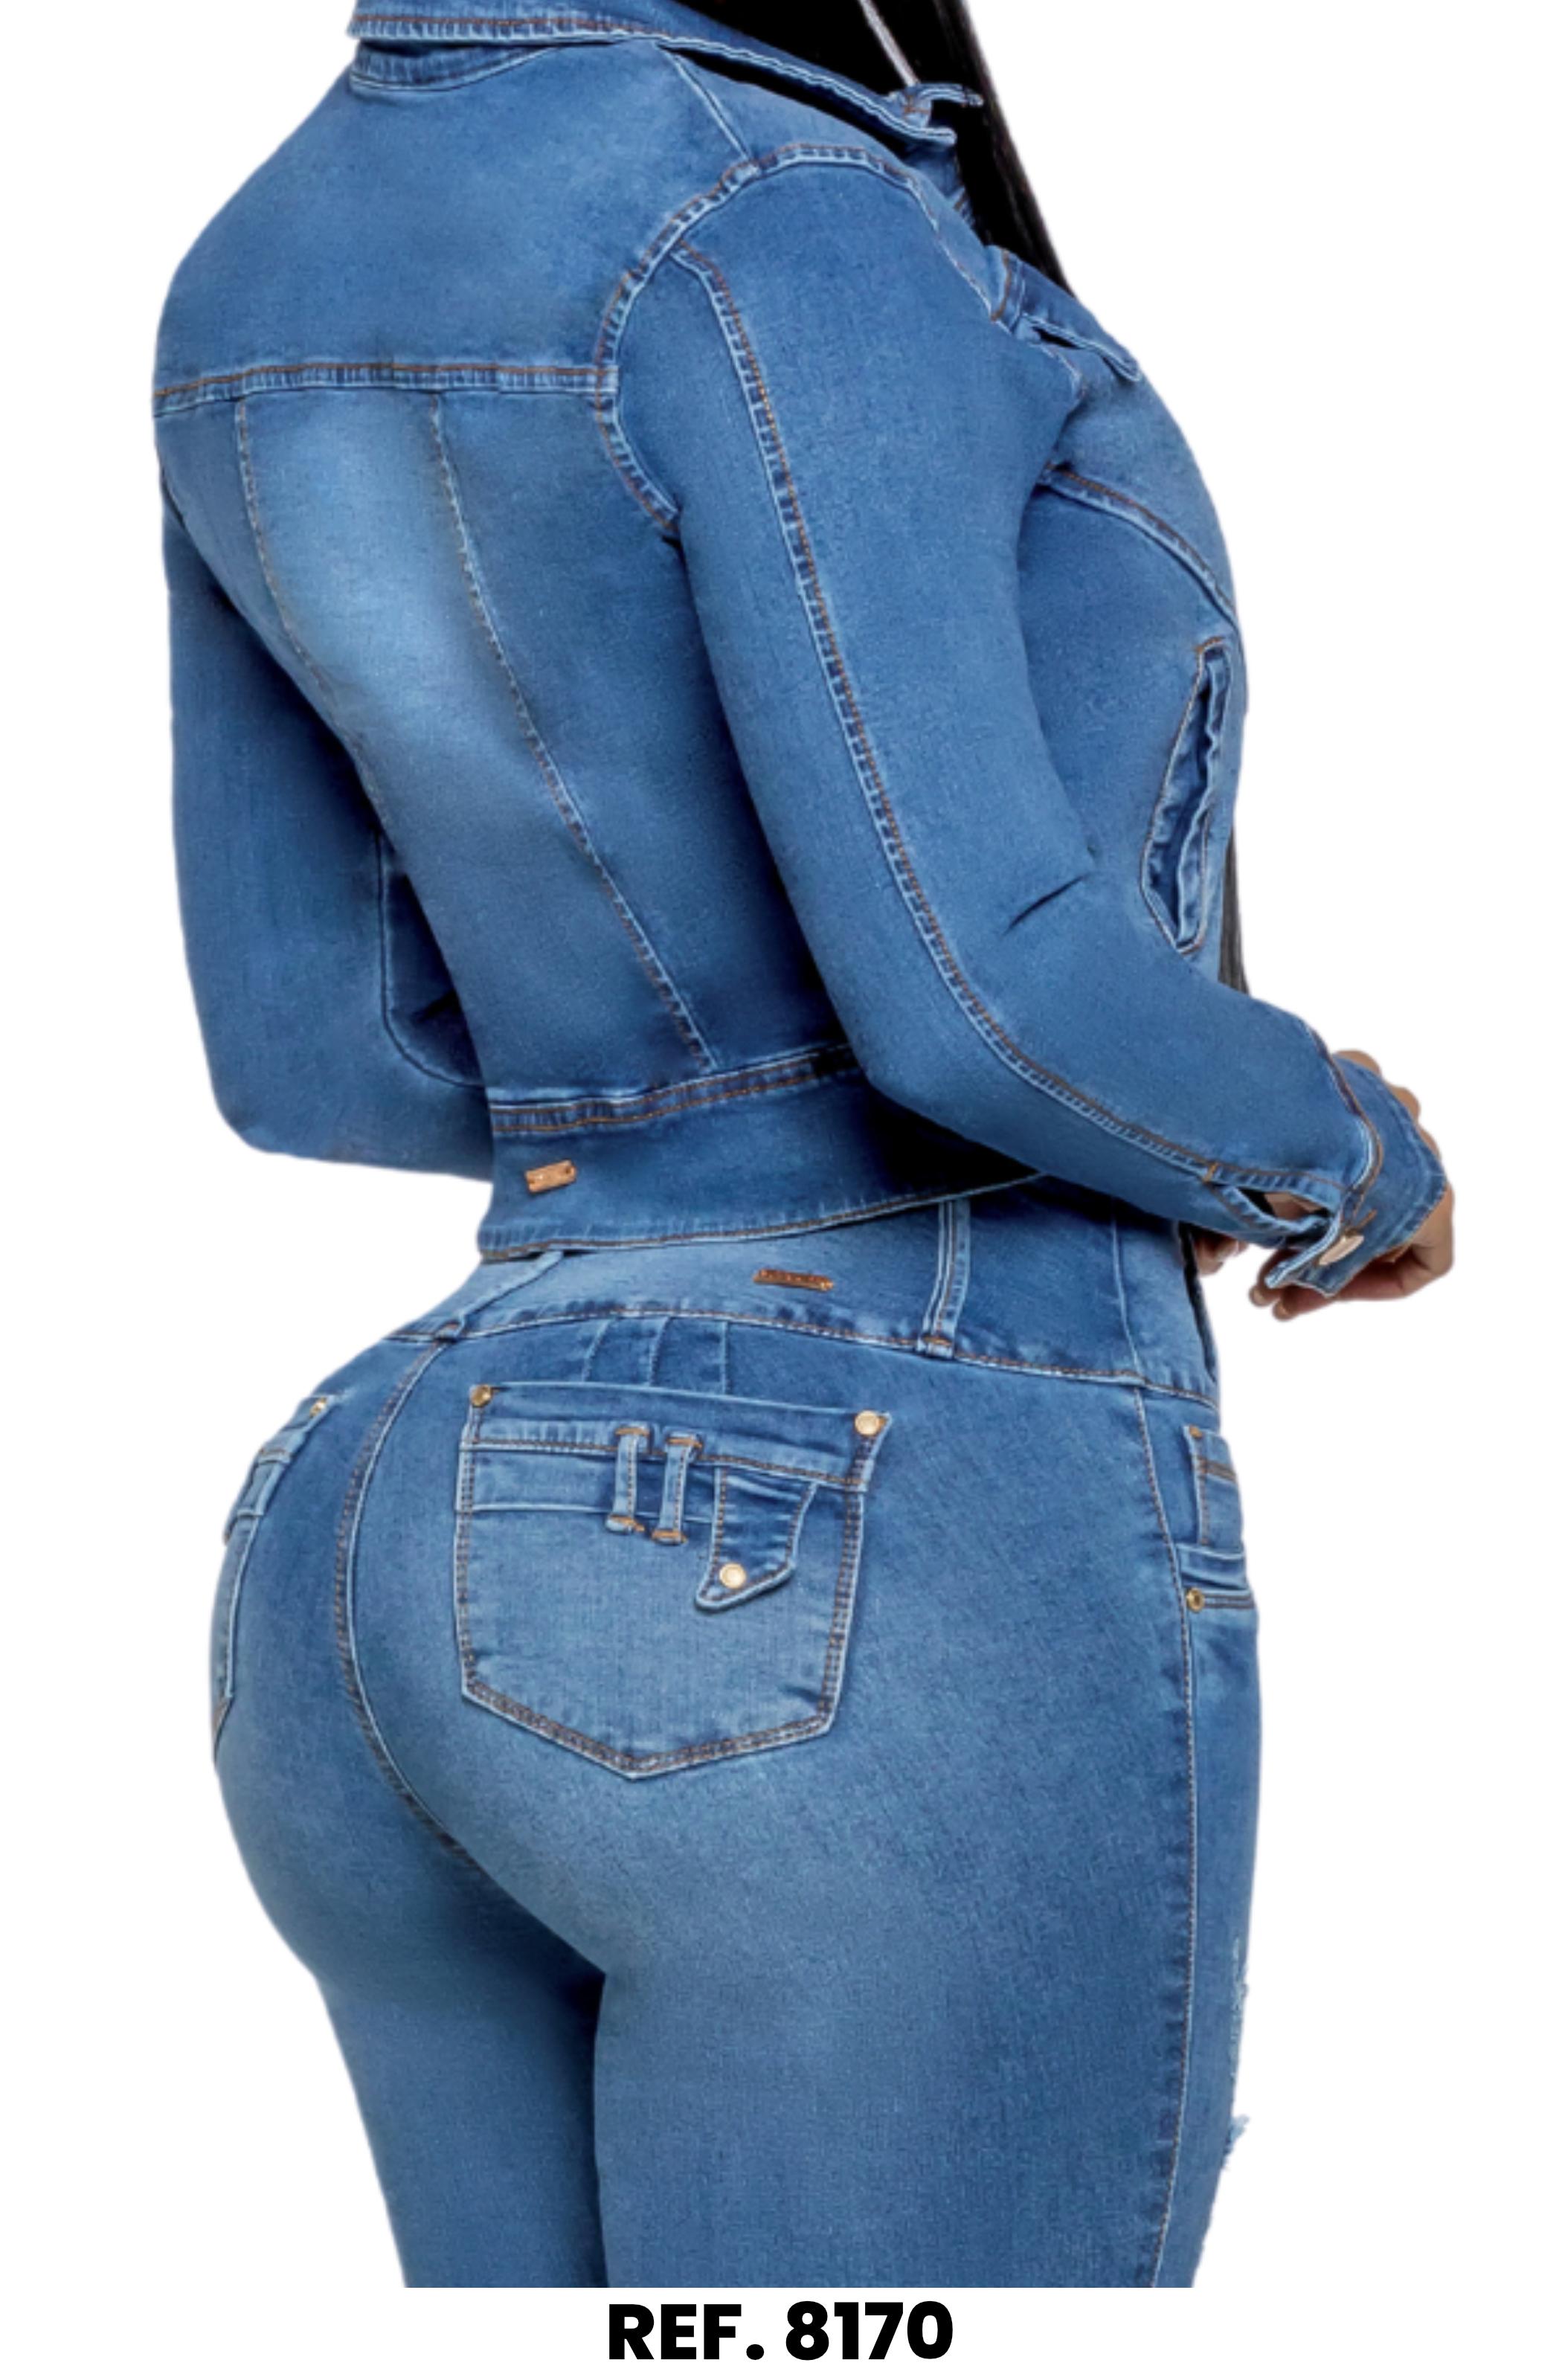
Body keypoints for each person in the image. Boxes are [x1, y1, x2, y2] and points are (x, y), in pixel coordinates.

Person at [152, 0, 1453, 2288]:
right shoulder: (786, 217)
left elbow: (319, 1051)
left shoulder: (256, 258)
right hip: (838, 1527)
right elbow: (974, 1003)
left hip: (372, 1538)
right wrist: (1339, 1155)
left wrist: (668, 1136)